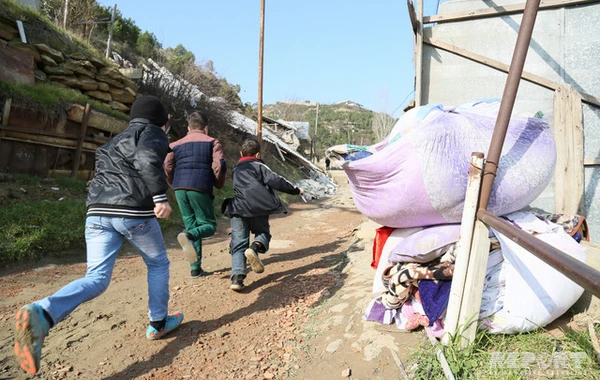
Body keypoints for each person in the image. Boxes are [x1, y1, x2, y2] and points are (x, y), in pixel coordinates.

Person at [13, 96, 183, 375]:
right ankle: (158, 323)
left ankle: (41, 312)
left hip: (96, 212)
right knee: (158, 264)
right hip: (131, 211)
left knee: (96, 278)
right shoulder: (151, 132)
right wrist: (160, 196)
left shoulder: (115, 140)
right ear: (161, 120)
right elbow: (145, 158)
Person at [223, 138, 304, 291]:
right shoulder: (259, 166)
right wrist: (295, 190)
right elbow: (277, 180)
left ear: (241, 153)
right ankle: (254, 248)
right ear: (258, 154)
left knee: (238, 241)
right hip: (258, 208)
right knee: (263, 233)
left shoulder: (236, 169)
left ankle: (237, 278)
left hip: (238, 208)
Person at [164, 111, 226, 278]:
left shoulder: (175, 144)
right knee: (209, 226)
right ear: (205, 128)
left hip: (179, 189)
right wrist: (218, 183)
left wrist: (173, 183)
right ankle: (188, 235)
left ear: (188, 127)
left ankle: (195, 268)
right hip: (200, 187)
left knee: (192, 225)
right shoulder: (212, 142)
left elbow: (167, 166)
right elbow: (219, 164)